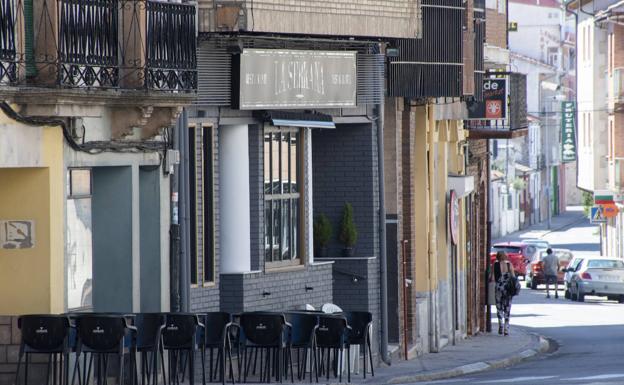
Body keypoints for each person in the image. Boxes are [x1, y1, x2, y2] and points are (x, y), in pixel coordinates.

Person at [492, 251, 515, 335]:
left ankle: (500, 325)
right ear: (505, 256)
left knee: (499, 307)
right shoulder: (509, 265)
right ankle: (506, 328)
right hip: (508, 289)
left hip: (498, 288)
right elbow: (513, 277)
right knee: (507, 307)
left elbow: (492, 278)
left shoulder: (495, 265)